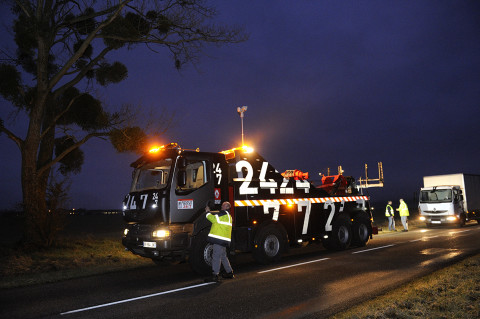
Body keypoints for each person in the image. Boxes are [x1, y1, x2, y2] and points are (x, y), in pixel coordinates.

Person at [204, 201, 234, 282]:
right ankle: (229, 272)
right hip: (224, 240)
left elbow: (213, 219)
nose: (221, 207)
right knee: (223, 256)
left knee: (216, 256)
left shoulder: (223, 214)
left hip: (219, 240)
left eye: (223, 206)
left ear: (227, 207)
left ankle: (215, 275)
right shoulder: (229, 216)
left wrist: (207, 212)